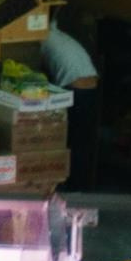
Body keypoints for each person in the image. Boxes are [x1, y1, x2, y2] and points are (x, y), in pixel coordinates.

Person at [43, 18, 100, 191]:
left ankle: (73, 186)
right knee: (82, 140)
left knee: (72, 140)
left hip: (76, 89)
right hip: (90, 86)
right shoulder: (59, 36)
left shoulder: (41, 40)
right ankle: (80, 186)